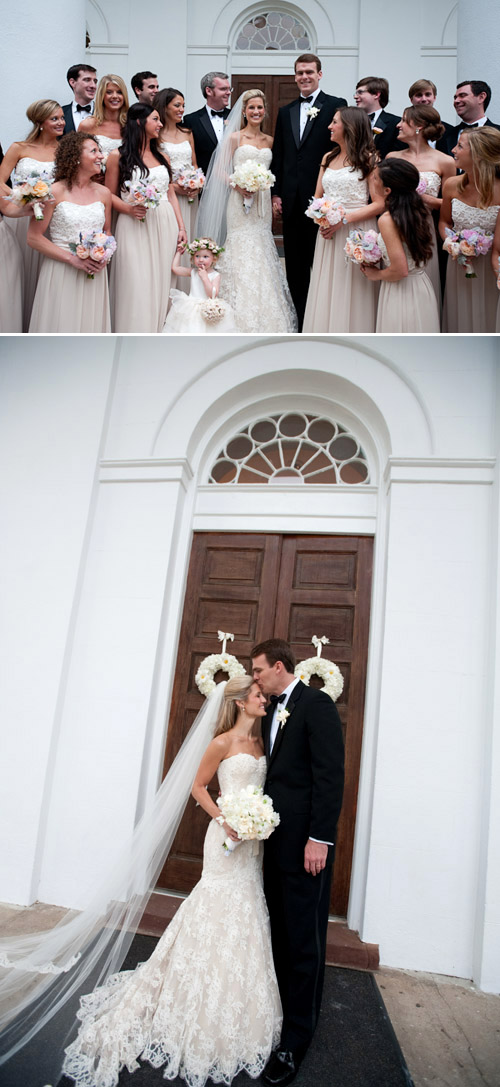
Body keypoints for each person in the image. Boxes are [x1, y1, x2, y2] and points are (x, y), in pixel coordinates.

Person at [0, 678, 281, 1087]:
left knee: (248, 906)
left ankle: (238, 999)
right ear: (240, 702)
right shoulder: (221, 743)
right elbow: (197, 787)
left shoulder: (262, 745)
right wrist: (225, 820)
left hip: (252, 843)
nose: (265, 700)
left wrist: (256, 821)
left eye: (264, 696)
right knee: (214, 903)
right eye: (258, 695)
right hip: (225, 838)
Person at [251, 639, 344, 1087]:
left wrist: (319, 839)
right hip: (271, 844)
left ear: (280, 666)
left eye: (258, 670)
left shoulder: (316, 705)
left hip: (306, 847)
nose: (255, 677)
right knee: (280, 934)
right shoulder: (268, 708)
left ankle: (295, 1042)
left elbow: (330, 776)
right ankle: (277, 1014)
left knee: (304, 940)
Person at [197, 89, 297, 332]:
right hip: (238, 200)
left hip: (261, 203)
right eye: (251, 108)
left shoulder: (270, 141)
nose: (256, 112)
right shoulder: (234, 139)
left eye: (260, 108)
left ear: (265, 111)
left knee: (262, 247)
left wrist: (268, 193)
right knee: (240, 245)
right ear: (244, 111)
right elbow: (218, 169)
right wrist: (237, 184)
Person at [271, 53, 347, 329]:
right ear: (295, 76)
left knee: (326, 264)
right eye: (300, 73)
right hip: (291, 200)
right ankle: (300, 319)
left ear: (320, 74)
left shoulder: (336, 105)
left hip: (325, 200)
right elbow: (279, 153)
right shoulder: (285, 111)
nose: (304, 77)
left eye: (309, 72)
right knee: (296, 266)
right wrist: (276, 193)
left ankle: (326, 318)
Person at [105, 103, 186, 332]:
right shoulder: (117, 157)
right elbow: (108, 196)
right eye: (156, 119)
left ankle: (160, 330)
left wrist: (182, 228)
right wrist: (129, 209)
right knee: (136, 282)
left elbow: (170, 194)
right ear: (139, 122)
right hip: (133, 225)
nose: (160, 124)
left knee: (162, 281)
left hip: (165, 223)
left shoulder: (162, 156)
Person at [303, 106, 384, 332]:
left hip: (358, 232)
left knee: (355, 286)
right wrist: (322, 216)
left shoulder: (370, 159)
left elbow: (379, 203)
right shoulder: (328, 157)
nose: (329, 126)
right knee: (330, 283)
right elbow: (317, 197)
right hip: (329, 232)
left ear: (349, 127)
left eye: (334, 122)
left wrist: (343, 219)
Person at [27, 132, 113, 332]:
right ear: (75, 157)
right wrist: (73, 259)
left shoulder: (104, 193)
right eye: (94, 151)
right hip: (61, 270)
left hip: (94, 273)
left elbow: (107, 231)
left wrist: (104, 255)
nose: (101, 156)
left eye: (100, 151)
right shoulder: (54, 192)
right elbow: (33, 237)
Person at [0, 99, 65, 329]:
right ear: (40, 122)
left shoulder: (65, 150)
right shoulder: (19, 148)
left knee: (43, 275)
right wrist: (20, 196)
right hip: (20, 217)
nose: (61, 122)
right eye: (54, 118)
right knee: (20, 274)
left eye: (61, 118)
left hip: (49, 219)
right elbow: (0, 180)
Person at [360, 158, 440, 332]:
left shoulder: (388, 220)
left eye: (375, 179)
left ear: (387, 190)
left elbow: (400, 270)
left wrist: (376, 274)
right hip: (421, 285)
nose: (372, 181)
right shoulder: (417, 211)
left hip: (401, 292)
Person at [386, 104, 456, 304]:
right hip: (394, 227)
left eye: (403, 120)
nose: (398, 125)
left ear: (418, 127)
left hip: (425, 229)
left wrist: (424, 198)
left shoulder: (445, 162)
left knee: (424, 286)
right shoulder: (392, 158)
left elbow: (452, 205)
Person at [440, 126, 500, 332]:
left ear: (479, 155)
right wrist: (452, 245)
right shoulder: (451, 185)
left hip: (490, 266)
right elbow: (444, 222)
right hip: (458, 262)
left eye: (460, 146)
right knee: (459, 318)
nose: (453, 150)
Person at [156, 86, 200, 290]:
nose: (182, 109)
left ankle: (187, 291)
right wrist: (175, 187)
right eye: (177, 105)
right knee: (170, 244)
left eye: (183, 105)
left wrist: (196, 184)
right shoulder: (156, 135)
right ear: (164, 107)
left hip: (190, 199)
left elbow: (194, 165)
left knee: (188, 242)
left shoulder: (187, 132)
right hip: (168, 198)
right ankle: (168, 290)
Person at [162, 236, 237, 333]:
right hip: (190, 309)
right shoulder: (193, 272)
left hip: (207, 309)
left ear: (214, 258)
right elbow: (175, 269)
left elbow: (212, 294)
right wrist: (179, 253)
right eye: (197, 256)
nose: (201, 260)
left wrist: (205, 278)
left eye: (205, 257)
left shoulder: (216, 275)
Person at [184, 71, 231, 175]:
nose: (229, 93)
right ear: (209, 91)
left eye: (229, 89)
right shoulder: (191, 120)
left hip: (233, 183)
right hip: (205, 184)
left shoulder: (236, 117)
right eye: (223, 89)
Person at [437, 80, 500, 156]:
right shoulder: (444, 135)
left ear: (481, 97)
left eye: (462, 95)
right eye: (455, 97)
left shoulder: (498, 133)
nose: (456, 101)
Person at [77, 74, 128, 162]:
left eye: (119, 92)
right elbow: (77, 159)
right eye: (109, 92)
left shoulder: (130, 125)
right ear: (102, 96)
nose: (115, 96)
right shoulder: (87, 125)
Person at [354, 76, 402, 158]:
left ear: (376, 94)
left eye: (360, 92)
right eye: (356, 93)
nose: (355, 96)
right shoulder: (352, 121)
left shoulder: (396, 123)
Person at [408, 79, 455, 150]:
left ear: (434, 98)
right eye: (419, 95)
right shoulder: (402, 129)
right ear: (411, 100)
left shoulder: (449, 131)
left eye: (427, 94)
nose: (424, 99)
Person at [62, 63, 98, 133]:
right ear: (72, 82)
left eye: (95, 81)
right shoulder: (61, 113)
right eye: (87, 80)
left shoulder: (104, 112)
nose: (93, 86)